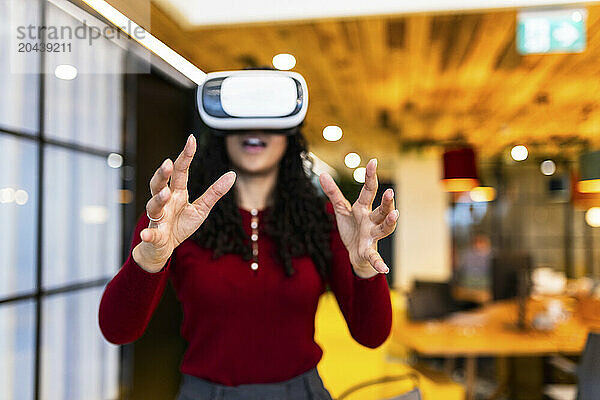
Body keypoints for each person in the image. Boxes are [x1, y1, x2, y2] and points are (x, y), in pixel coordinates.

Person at [98, 124, 398, 399]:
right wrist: (148, 262)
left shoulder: (322, 221)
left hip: (301, 392)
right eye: (242, 117)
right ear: (222, 130)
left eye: (270, 119)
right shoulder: (175, 219)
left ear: (289, 134)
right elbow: (116, 330)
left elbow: (371, 335)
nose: (255, 129)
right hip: (206, 393)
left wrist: (363, 268)